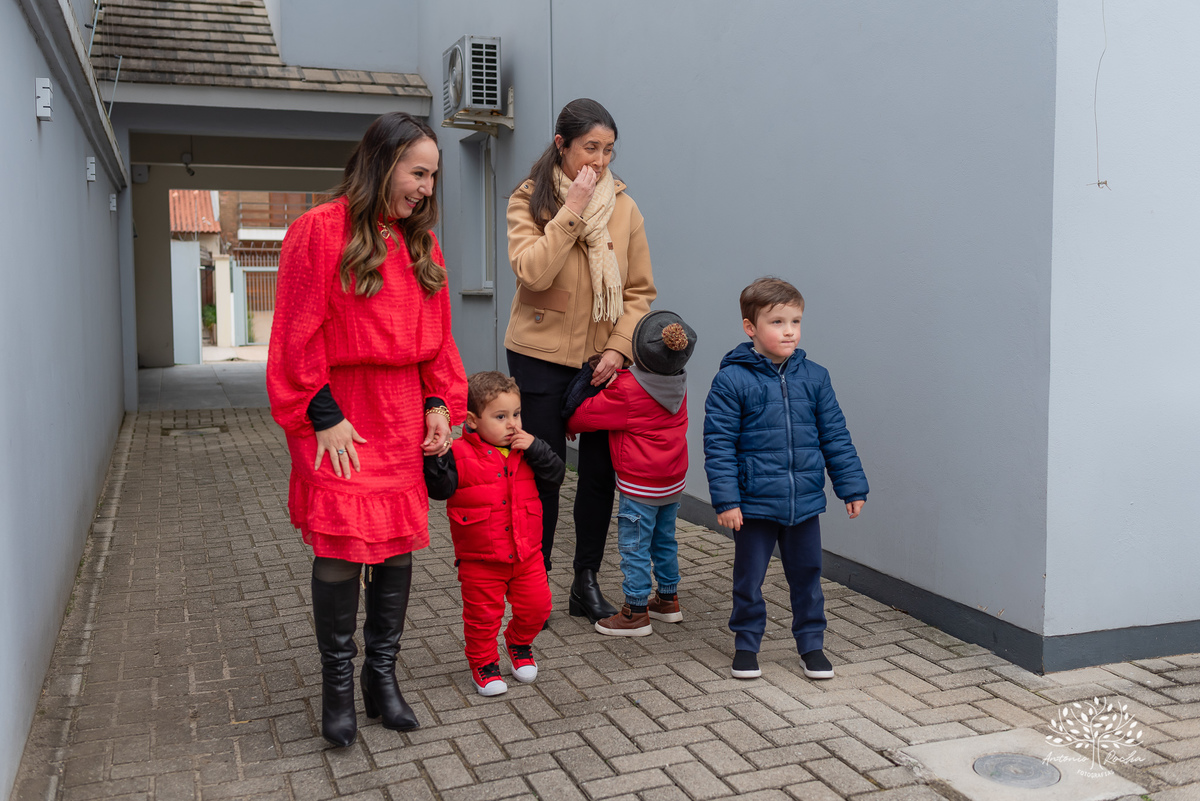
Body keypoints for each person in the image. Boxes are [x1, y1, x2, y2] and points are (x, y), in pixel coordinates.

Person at [267, 112, 467, 747]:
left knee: (396, 547)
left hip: (401, 409)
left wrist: (441, 403)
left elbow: (440, 342)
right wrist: (319, 412)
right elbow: (294, 331)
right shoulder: (317, 231)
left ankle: (381, 681)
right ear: (381, 162)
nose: (426, 188)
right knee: (340, 548)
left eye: (433, 177)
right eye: (418, 173)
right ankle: (337, 689)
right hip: (338, 413)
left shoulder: (422, 245)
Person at [505, 97, 657, 623]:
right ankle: (535, 582)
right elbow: (532, 273)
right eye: (590, 147)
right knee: (543, 472)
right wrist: (572, 209)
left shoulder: (625, 208)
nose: (600, 160)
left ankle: (584, 581)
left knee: (599, 474)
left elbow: (638, 292)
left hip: (601, 360)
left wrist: (618, 347)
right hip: (539, 356)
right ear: (560, 145)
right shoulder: (528, 199)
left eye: (609, 150)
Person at [703, 277, 869, 681]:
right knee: (749, 579)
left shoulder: (815, 377)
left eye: (795, 321)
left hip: (804, 503)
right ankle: (746, 644)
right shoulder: (731, 381)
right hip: (754, 504)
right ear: (750, 328)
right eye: (777, 322)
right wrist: (727, 501)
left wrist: (851, 486)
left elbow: (835, 435)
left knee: (808, 575)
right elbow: (719, 444)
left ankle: (811, 645)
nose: (789, 330)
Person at [424, 372, 563, 696]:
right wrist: (436, 458)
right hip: (481, 558)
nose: (512, 423)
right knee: (482, 619)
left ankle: (518, 643)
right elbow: (440, 489)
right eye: (500, 417)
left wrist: (538, 447)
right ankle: (483, 663)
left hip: (527, 554)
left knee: (538, 608)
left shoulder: (526, 449)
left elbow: (555, 477)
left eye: (516, 414)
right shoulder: (457, 452)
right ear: (472, 420)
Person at [566, 311, 696, 637]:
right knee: (664, 541)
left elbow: (586, 416)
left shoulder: (627, 389)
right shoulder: (677, 381)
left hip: (639, 484)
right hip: (671, 481)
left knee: (634, 546)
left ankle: (635, 612)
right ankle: (668, 600)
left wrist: (567, 423)